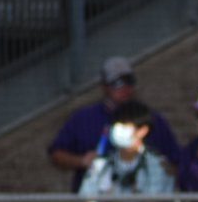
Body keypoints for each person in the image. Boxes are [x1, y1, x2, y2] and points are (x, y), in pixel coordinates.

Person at [47, 56, 180, 190]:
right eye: (117, 83)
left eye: (129, 81)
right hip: (99, 197)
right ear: (104, 87)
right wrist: (82, 161)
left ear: (143, 130)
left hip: (140, 199)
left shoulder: (150, 119)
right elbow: (57, 153)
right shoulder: (84, 119)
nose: (124, 88)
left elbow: (174, 161)